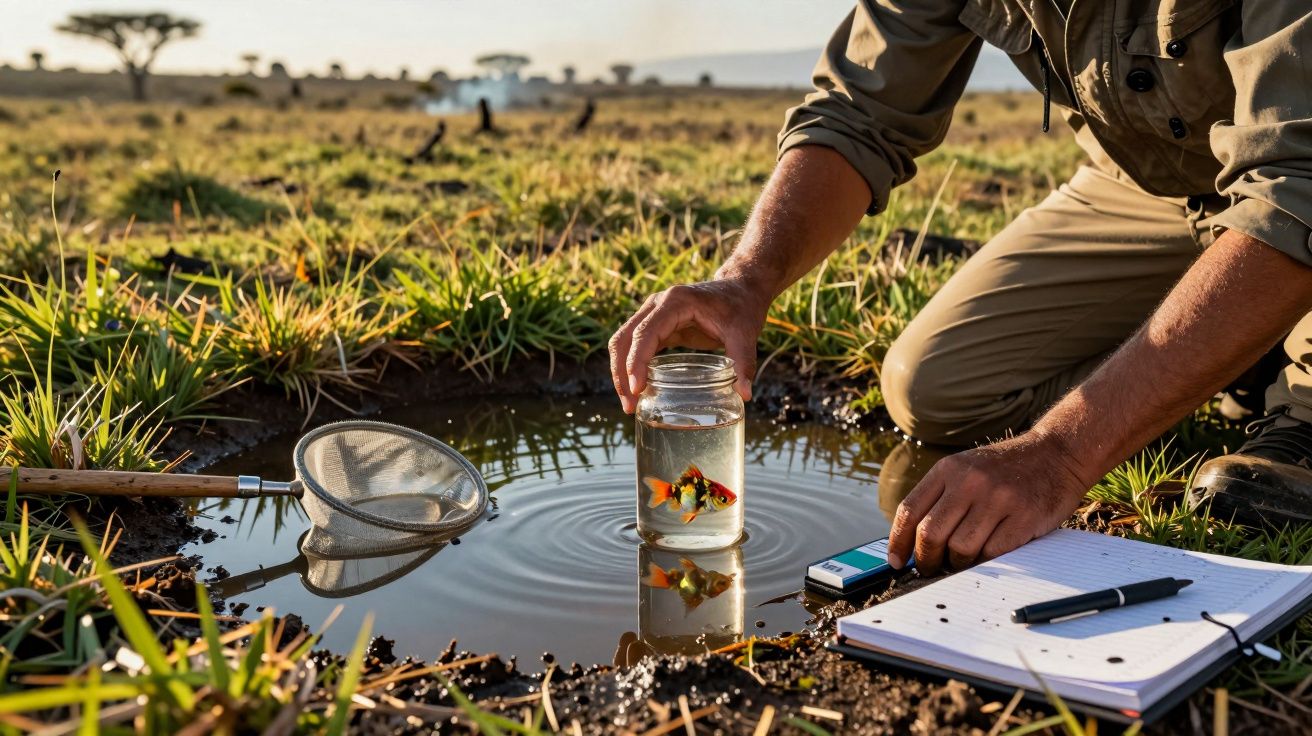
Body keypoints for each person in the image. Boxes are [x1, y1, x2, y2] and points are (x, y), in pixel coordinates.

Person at [609, 0, 1312, 575]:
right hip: (1147, 185)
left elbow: (1298, 185)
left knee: (1253, 482)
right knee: (936, 387)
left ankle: (1293, 411)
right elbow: (858, 111)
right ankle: (1241, 345)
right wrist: (745, 280)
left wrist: (1060, 454)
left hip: (1294, 176)